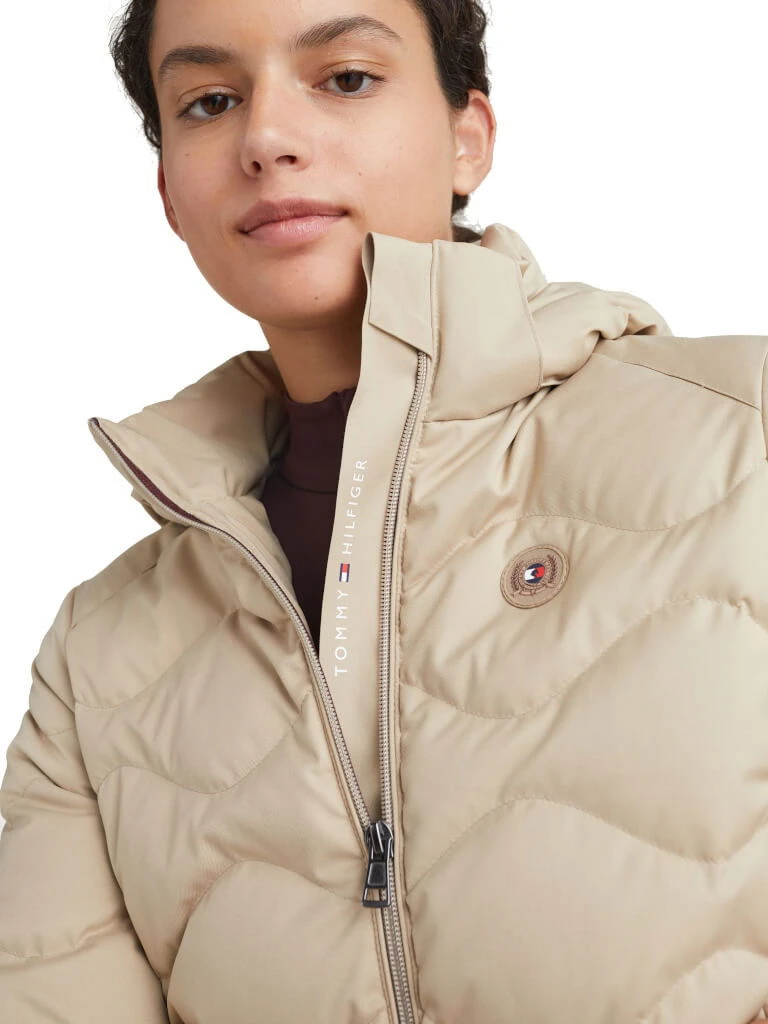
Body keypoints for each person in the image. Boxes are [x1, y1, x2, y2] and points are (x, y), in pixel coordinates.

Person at [1, 0, 767, 1021]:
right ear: (170, 194)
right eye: (210, 102)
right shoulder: (99, 660)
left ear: (468, 137)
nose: (267, 139)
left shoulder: (745, 442)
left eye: (347, 78)